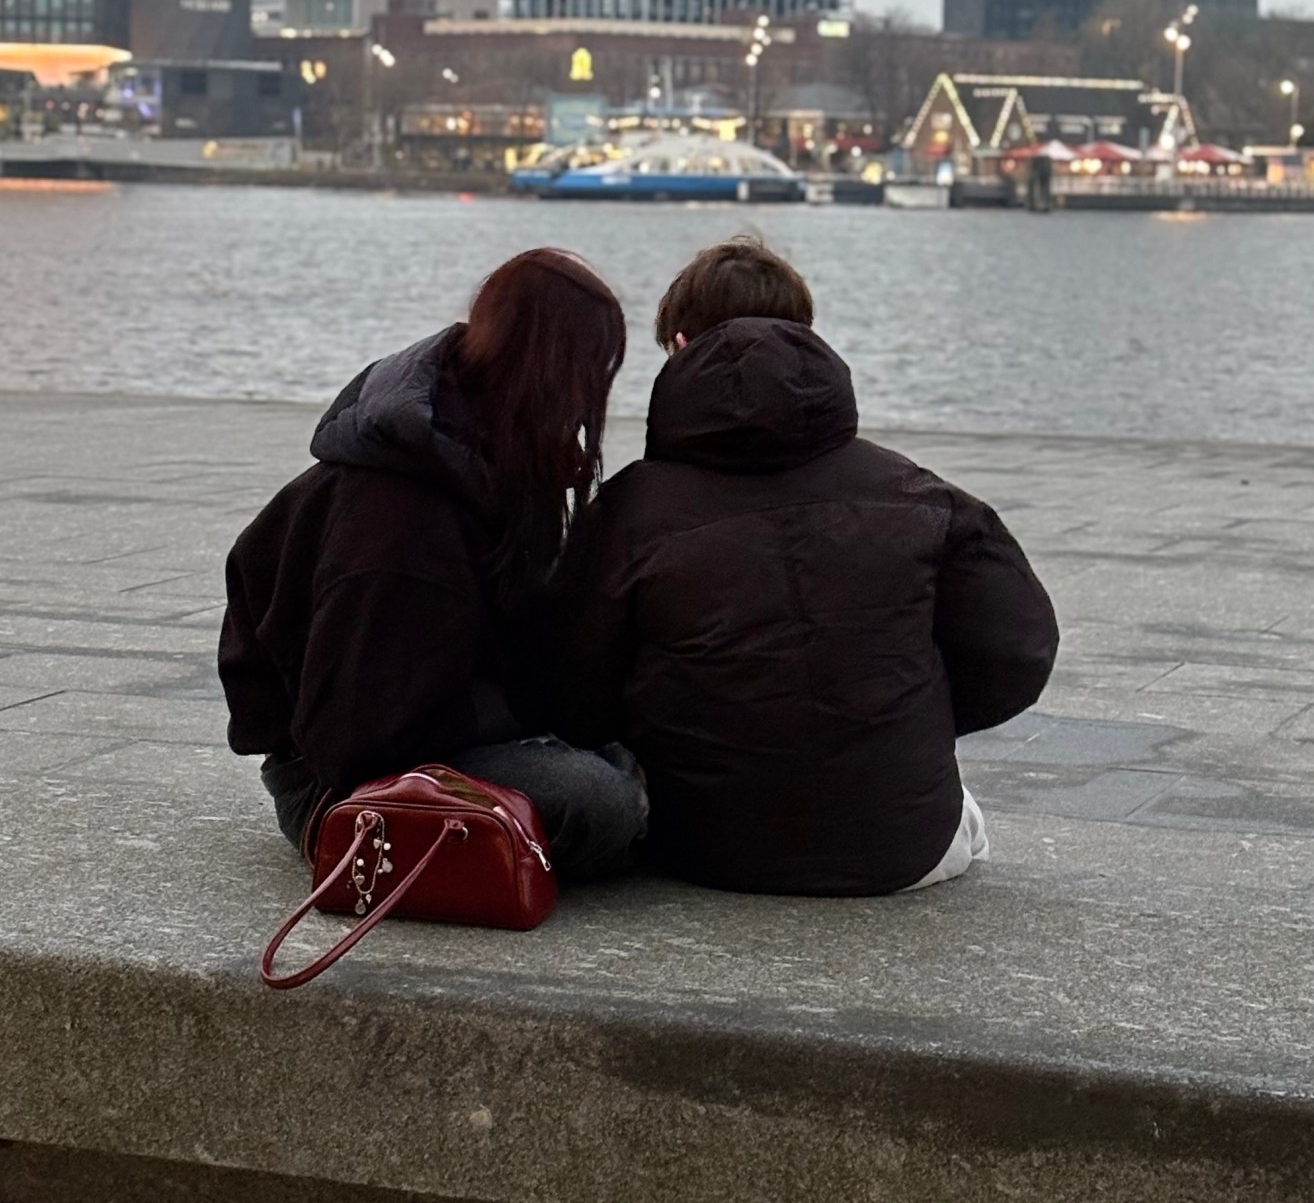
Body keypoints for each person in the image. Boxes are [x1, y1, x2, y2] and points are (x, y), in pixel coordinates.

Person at [554, 236, 1057, 896]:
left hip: (705, 848)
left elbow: (569, 692)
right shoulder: (920, 496)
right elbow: (1021, 649)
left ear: (678, 347)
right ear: (807, 339)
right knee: (959, 816)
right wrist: (904, 712)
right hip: (906, 847)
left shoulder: (624, 513)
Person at [218, 248, 648, 882]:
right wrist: (525, 723)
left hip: (423, 730)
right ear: (552, 368)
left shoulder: (481, 461)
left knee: (624, 766)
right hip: (343, 788)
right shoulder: (397, 518)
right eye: (590, 371)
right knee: (606, 799)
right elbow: (357, 735)